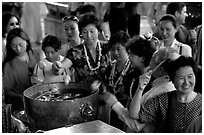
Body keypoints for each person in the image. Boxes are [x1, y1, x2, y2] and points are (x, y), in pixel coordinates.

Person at [102, 55, 202, 133]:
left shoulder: (201, 103)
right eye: (181, 78)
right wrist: (140, 89)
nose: (186, 82)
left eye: (190, 76)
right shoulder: (164, 100)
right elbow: (135, 114)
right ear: (172, 79)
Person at [3, 28, 39, 112]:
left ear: (26, 42)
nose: (18, 49)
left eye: (20, 44)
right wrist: (21, 96)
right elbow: (6, 90)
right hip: (21, 104)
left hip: (39, 98)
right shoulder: (9, 65)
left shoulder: (36, 54)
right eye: (13, 46)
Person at [104, 31, 131, 130]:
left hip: (129, 110)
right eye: (112, 49)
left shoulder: (133, 68)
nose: (115, 52)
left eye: (119, 49)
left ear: (127, 49)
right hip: (113, 110)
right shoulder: (110, 68)